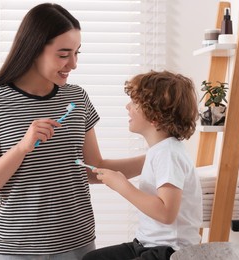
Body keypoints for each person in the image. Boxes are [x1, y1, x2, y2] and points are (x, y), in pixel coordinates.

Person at [0, 3, 144, 260]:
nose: (73, 64)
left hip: (78, 244)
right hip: (17, 250)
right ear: (34, 49)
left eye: (77, 53)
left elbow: (93, 169)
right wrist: (22, 147)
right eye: (63, 54)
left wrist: (155, 158)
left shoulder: (77, 98)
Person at [83, 70, 203, 260]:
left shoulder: (168, 154)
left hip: (169, 251)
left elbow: (166, 213)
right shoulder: (160, 151)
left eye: (135, 103)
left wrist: (122, 186)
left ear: (154, 115)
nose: (127, 106)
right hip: (146, 244)